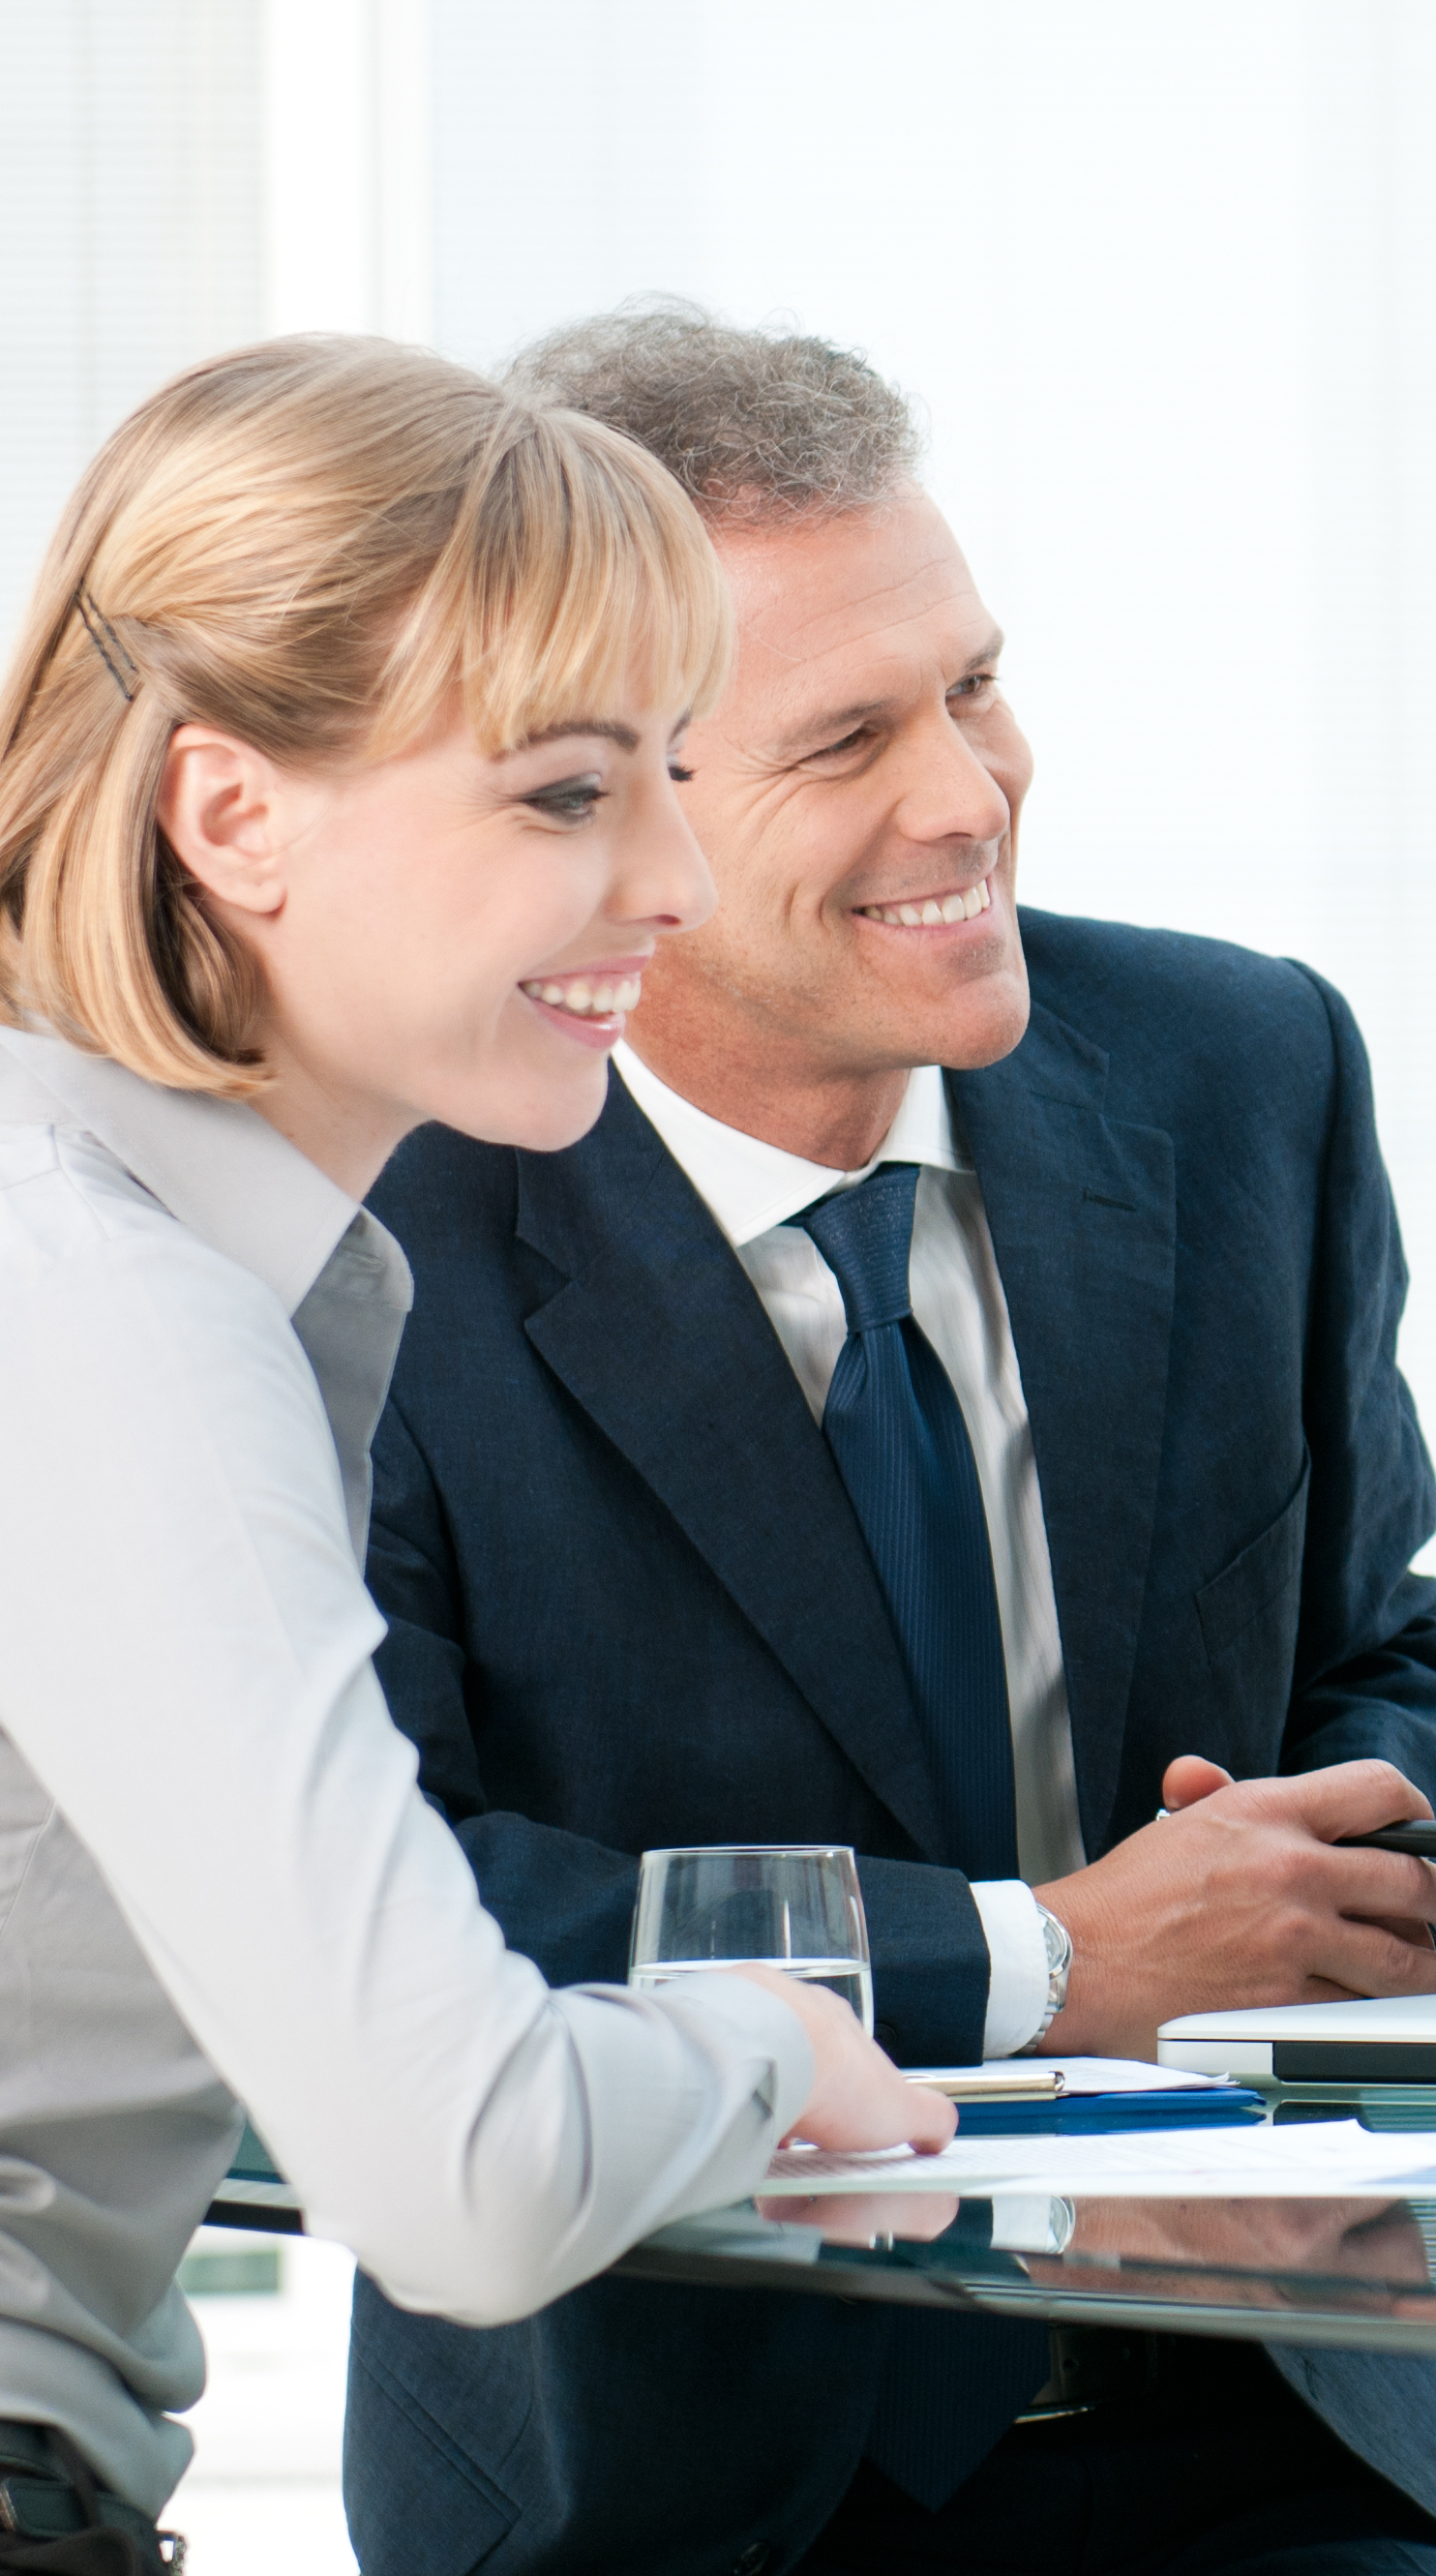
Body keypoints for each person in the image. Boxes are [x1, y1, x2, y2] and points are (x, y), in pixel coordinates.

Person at [342, 302, 1436, 2576]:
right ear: (596, 814)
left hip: (1269, 2423)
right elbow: (408, 1909)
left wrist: (1323, 1852)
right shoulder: (375, 1228)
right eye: (849, 737)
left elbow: (1395, 1646)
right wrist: (1047, 1953)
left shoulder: (1239, 1072)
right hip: (680, 2481)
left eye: (973, 685)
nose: (970, 791)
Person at [0, 336, 951, 2573]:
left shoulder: (166, 1258)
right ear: (230, 816)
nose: (676, 884)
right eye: (563, 795)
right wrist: (769, 2047)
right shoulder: (107, 1308)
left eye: (674, 779)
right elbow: (466, 2171)